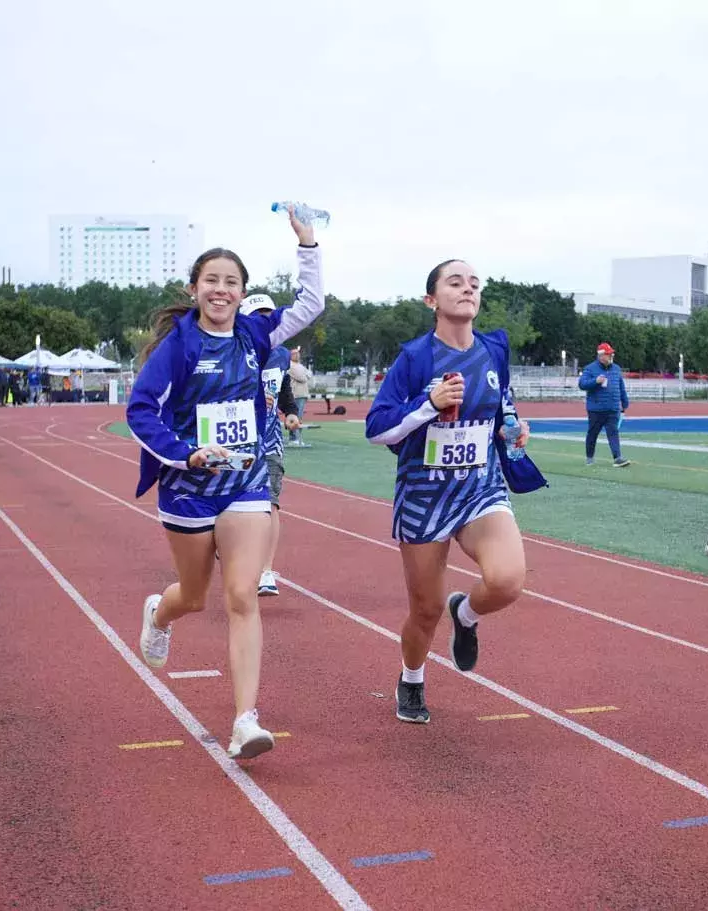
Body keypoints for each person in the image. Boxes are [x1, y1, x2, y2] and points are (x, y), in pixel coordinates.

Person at [127, 209, 322, 759]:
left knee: (242, 596)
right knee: (193, 596)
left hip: (246, 482)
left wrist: (307, 245)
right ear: (195, 289)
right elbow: (142, 411)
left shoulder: (257, 334)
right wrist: (186, 455)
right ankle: (158, 614)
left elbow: (310, 304)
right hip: (188, 489)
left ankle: (244, 719)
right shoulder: (178, 349)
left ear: (241, 292)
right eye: (211, 280)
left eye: (231, 282)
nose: (221, 290)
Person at [365, 259, 548, 724]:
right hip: (425, 497)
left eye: (474, 284)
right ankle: (411, 677)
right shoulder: (415, 358)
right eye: (455, 282)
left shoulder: (493, 349)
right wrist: (428, 404)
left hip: (478, 488)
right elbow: (376, 429)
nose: (467, 289)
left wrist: (513, 429)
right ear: (432, 300)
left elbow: (502, 403)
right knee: (424, 612)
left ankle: (465, 614)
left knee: (508, 580)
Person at [238, 294, 303, 597]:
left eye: (268, 315)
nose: (264, 322)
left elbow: (284, 387)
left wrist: (289, 412)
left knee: (270, 503)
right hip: (235, 440)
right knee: (233, 504)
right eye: (257, 316)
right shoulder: (234, 351)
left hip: (269, 440)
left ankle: (266, 571)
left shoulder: (280, 354)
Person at [578, 342, 631, 467]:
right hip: (596, 409)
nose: (611, 356)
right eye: (608, 354)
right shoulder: (590, 369)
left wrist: (624, 401)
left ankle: (617, 457)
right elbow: (582, 384)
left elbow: (621, 387)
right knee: (593, 433)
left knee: (613, 432)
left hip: (613, 408)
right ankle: (590, 458)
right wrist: (595, 381)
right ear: (601, 356)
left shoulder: (616, 369)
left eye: (611, 354)